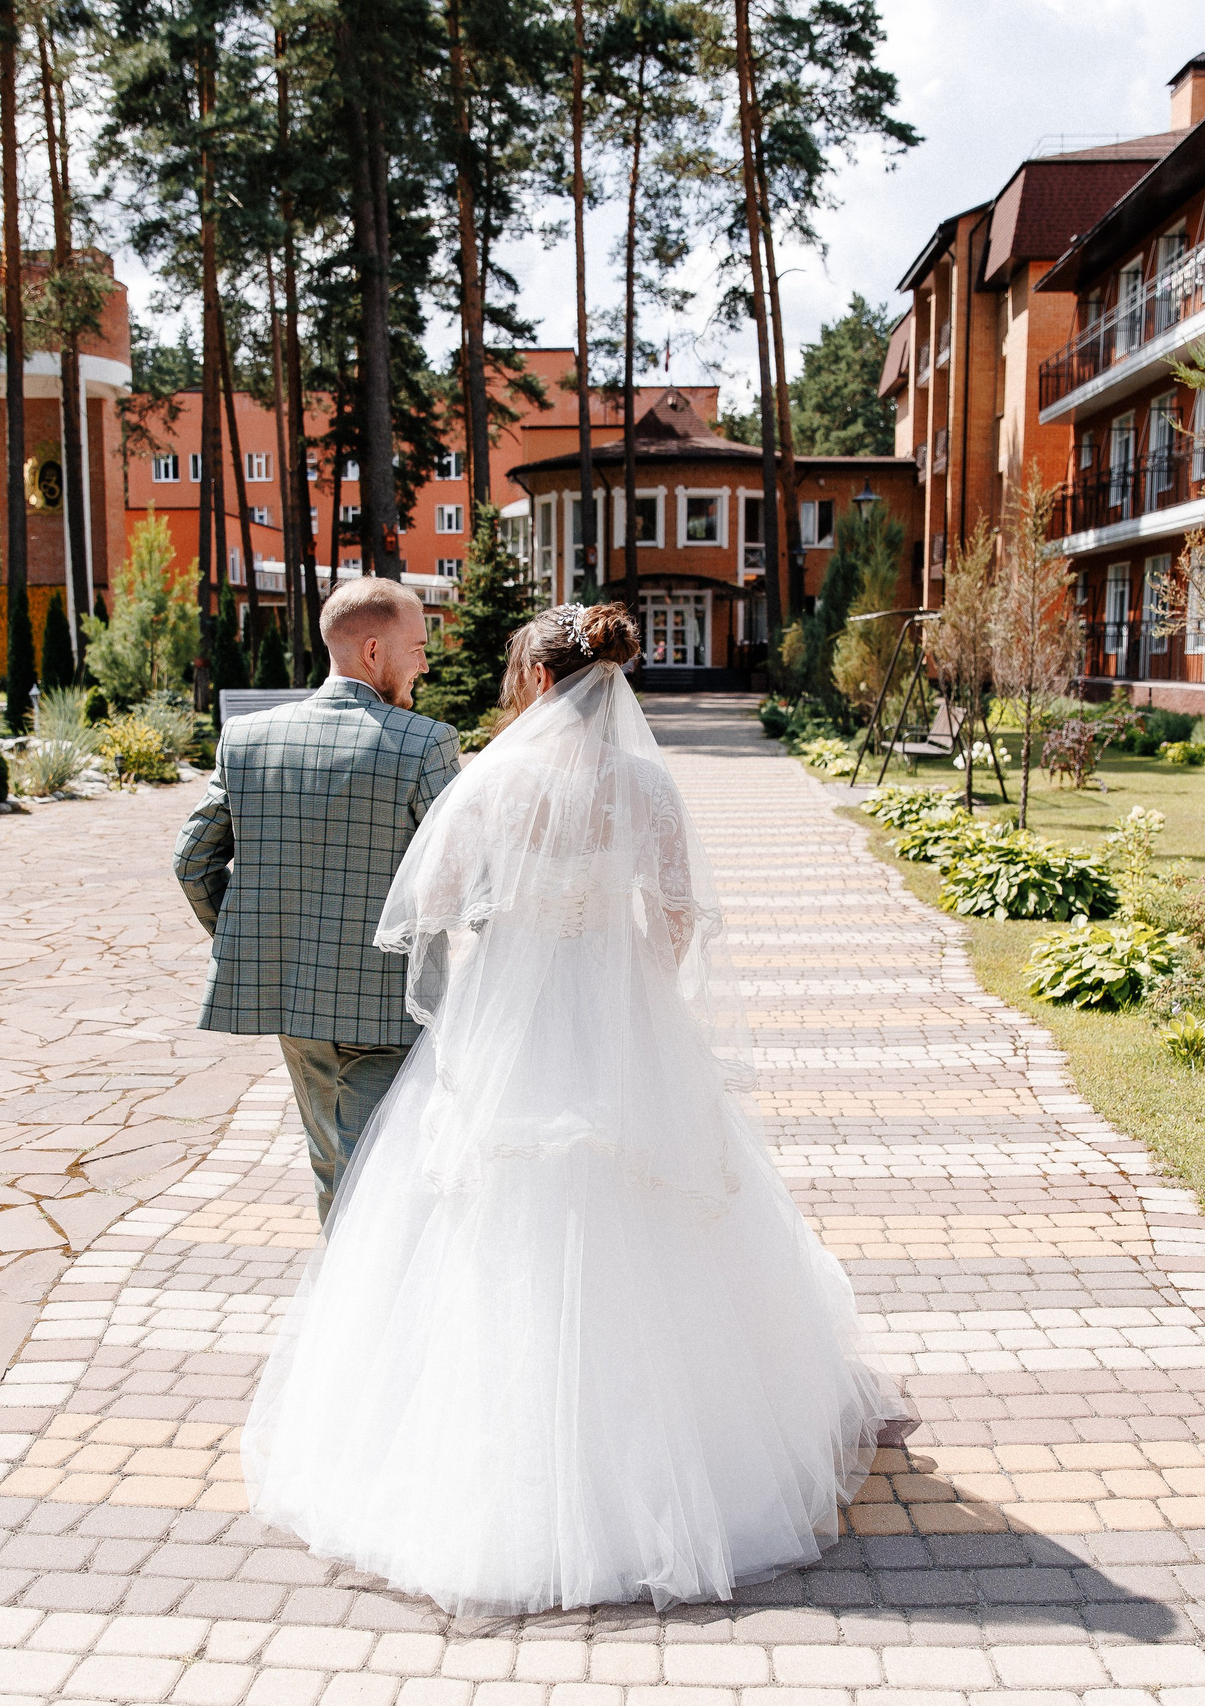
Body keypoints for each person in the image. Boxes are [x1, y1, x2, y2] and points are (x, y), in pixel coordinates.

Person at [244, 602, 900, 1617]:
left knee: (484, 1223)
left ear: (541, 680)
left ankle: (493, 1476)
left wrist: (519, 948)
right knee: (658, 1207)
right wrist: (627, 980)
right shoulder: (643, 784)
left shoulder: (489, 781)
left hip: (510, 1027)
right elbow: (679, 917)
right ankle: (685, 1466)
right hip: (621, 1019)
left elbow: (443, 905)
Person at [174, 578, 460, 1224]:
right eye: (416, 648)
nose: (424, 663)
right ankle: (371, 1313)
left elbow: (191, 862)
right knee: (381, 1172)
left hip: (293, 1001)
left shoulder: (247, 740)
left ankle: (346, 1305)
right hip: (390, 1003)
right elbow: (458, 877)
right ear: (371, 651)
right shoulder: (424, 744)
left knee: (334, 1161)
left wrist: (250, 937)